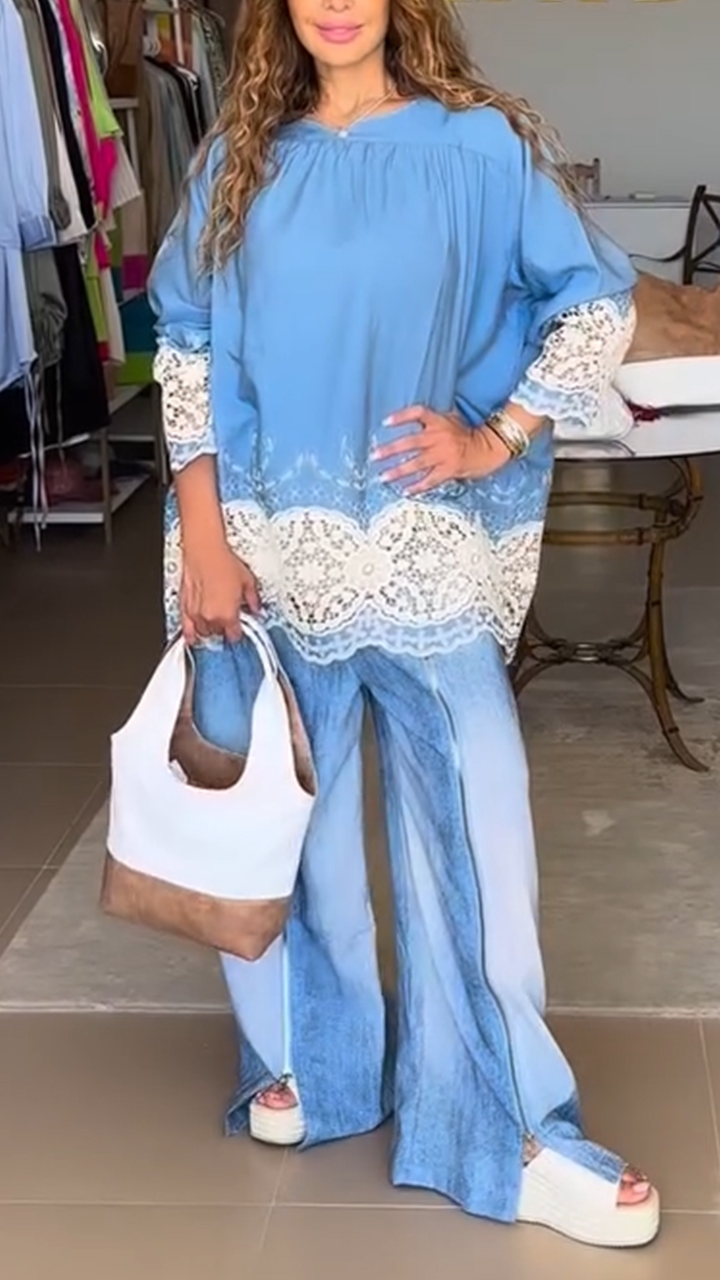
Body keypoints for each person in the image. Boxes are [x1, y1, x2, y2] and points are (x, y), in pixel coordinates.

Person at [148, 0, 659, 1249]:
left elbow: (594, 303)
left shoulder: (479, 145)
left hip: (422, 546)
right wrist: (204, 533)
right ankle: (310, 1063)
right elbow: (188, 341)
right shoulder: (241, 153)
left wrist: (494, 436)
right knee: (290, 825)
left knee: (476, 825)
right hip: (263, 546)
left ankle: (508, 1121)